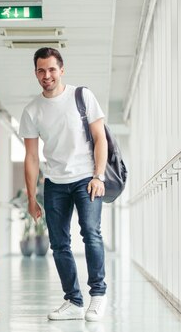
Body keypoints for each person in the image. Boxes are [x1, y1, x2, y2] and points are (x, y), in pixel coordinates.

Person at [19, 47, 108, 322]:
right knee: (59, 244)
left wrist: (99, 175)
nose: (47, 75)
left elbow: (100, 138)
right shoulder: (32, 110)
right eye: (41, 71)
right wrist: (33, 198)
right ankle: (74, 300)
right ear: (36, 73)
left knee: (91, 233)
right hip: (55, 183)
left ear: (62, 70)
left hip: (86, 179)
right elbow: (32, 157)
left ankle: (98, 295)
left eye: (52, 69)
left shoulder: (82, 96)